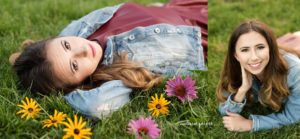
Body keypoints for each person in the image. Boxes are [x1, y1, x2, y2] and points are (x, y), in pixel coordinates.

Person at [10, 0, 207, 119]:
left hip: (183, 6)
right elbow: (94, 107)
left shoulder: (82, 31)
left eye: (67, 45)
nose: (82, 51)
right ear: (78, 84)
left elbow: (58, 43)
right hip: (201, 31)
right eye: (74, 65)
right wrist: (69, 92)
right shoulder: (114, 71)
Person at [216, 20, 300, 132]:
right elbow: (224, 109)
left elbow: (293, 116)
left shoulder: (294, 71)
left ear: (270, 48)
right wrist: (242, 90)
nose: (254, 57)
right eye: (245, 50)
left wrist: (251, 124)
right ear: (236, 55)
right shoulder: (235, 68)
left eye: (260, 47)